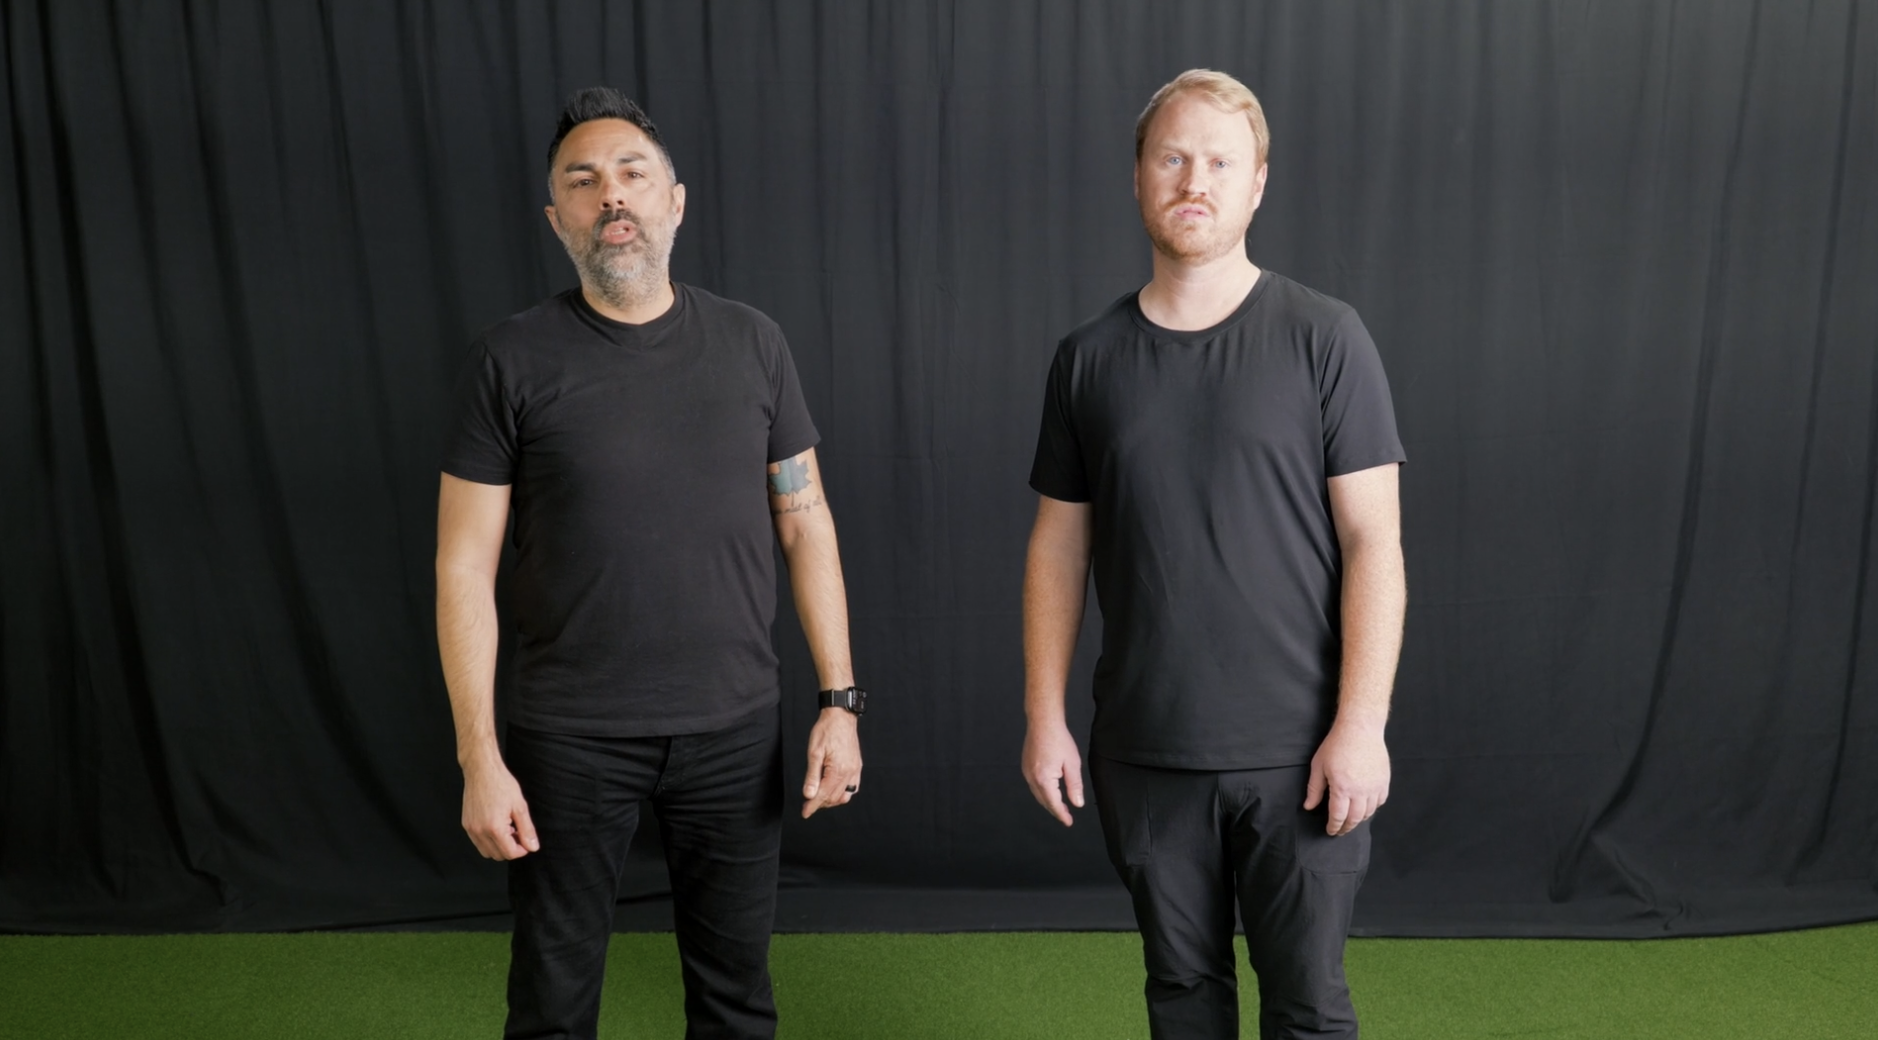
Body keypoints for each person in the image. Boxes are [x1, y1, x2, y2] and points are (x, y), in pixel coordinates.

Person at [436, 86, 866, 1040]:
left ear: (675, 200)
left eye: (633, 174)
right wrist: (480, 759)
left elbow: (808, 523)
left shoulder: (755, 343)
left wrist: (839, 702)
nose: (612, 196)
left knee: (736, 998)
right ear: (559, 221)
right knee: (550, 1004)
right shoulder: (508, 361)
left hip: (734, 729)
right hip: (568, 739)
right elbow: (463, 568)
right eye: (583, 183)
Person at [1021, 69, 1407, 1040]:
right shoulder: (1087, 359)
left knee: (1308, 1006)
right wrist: (1044, 716)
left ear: (1258, 183)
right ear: (1141, 176)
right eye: (1174, 156)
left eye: (1221, 161)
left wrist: (1360, 724)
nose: (1196, 178)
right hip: (1144, 749)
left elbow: (1375, 543)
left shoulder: (1326, 337)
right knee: (1183, 997)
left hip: (1301, 754)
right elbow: (1058, 548)